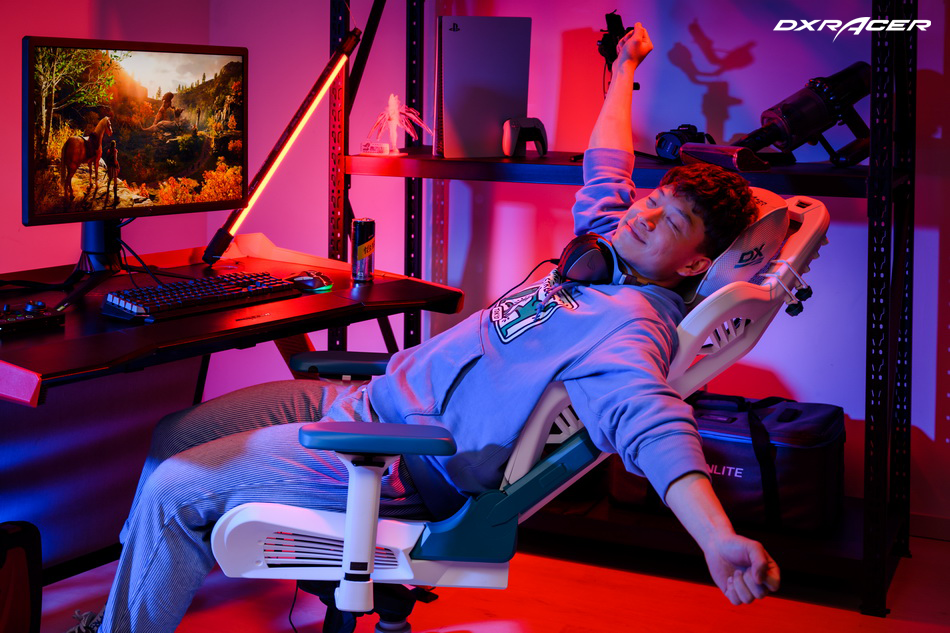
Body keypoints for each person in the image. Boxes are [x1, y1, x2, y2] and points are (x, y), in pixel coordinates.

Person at [70, 22, 779, 633]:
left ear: (694, 264)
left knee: (174, 486)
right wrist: (623, 70)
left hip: (396, 453)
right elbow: (607, 164)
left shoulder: (628, 322)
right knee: (174, 435)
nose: (643, 213)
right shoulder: (600, 257)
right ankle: (132, 604)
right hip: (369, 399)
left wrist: (717, 537)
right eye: (653, 199)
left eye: (671, 221)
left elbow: (650, 419)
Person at [103, 140, 120, 207]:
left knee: (110, 178)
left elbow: (107, 158)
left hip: (109, 166)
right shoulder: (115, 151)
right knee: (115, 178)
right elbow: (115, 159)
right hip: (113, 166)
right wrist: (117, 165)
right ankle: (115, 195)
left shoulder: (108, 151)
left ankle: (108, 189)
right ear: (115, 145)